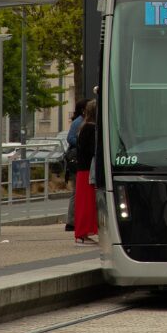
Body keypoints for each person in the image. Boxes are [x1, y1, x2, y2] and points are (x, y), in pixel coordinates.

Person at [73, 99, 99, 245]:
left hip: (83, 170)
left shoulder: (84, 127)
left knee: (85, 203)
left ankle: (83, 233)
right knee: (86, 204)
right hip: (87, 170)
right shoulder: (90, 128)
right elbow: (92, 150)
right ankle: (82, 234)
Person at [63, 98, 90, 233]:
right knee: (76, 191)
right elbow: (70, 138)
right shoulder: (79, 122)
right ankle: (71, 221)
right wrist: (82, 143)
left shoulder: (84, 121)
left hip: (79, 159)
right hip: (77, 160)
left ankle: (75, 221)